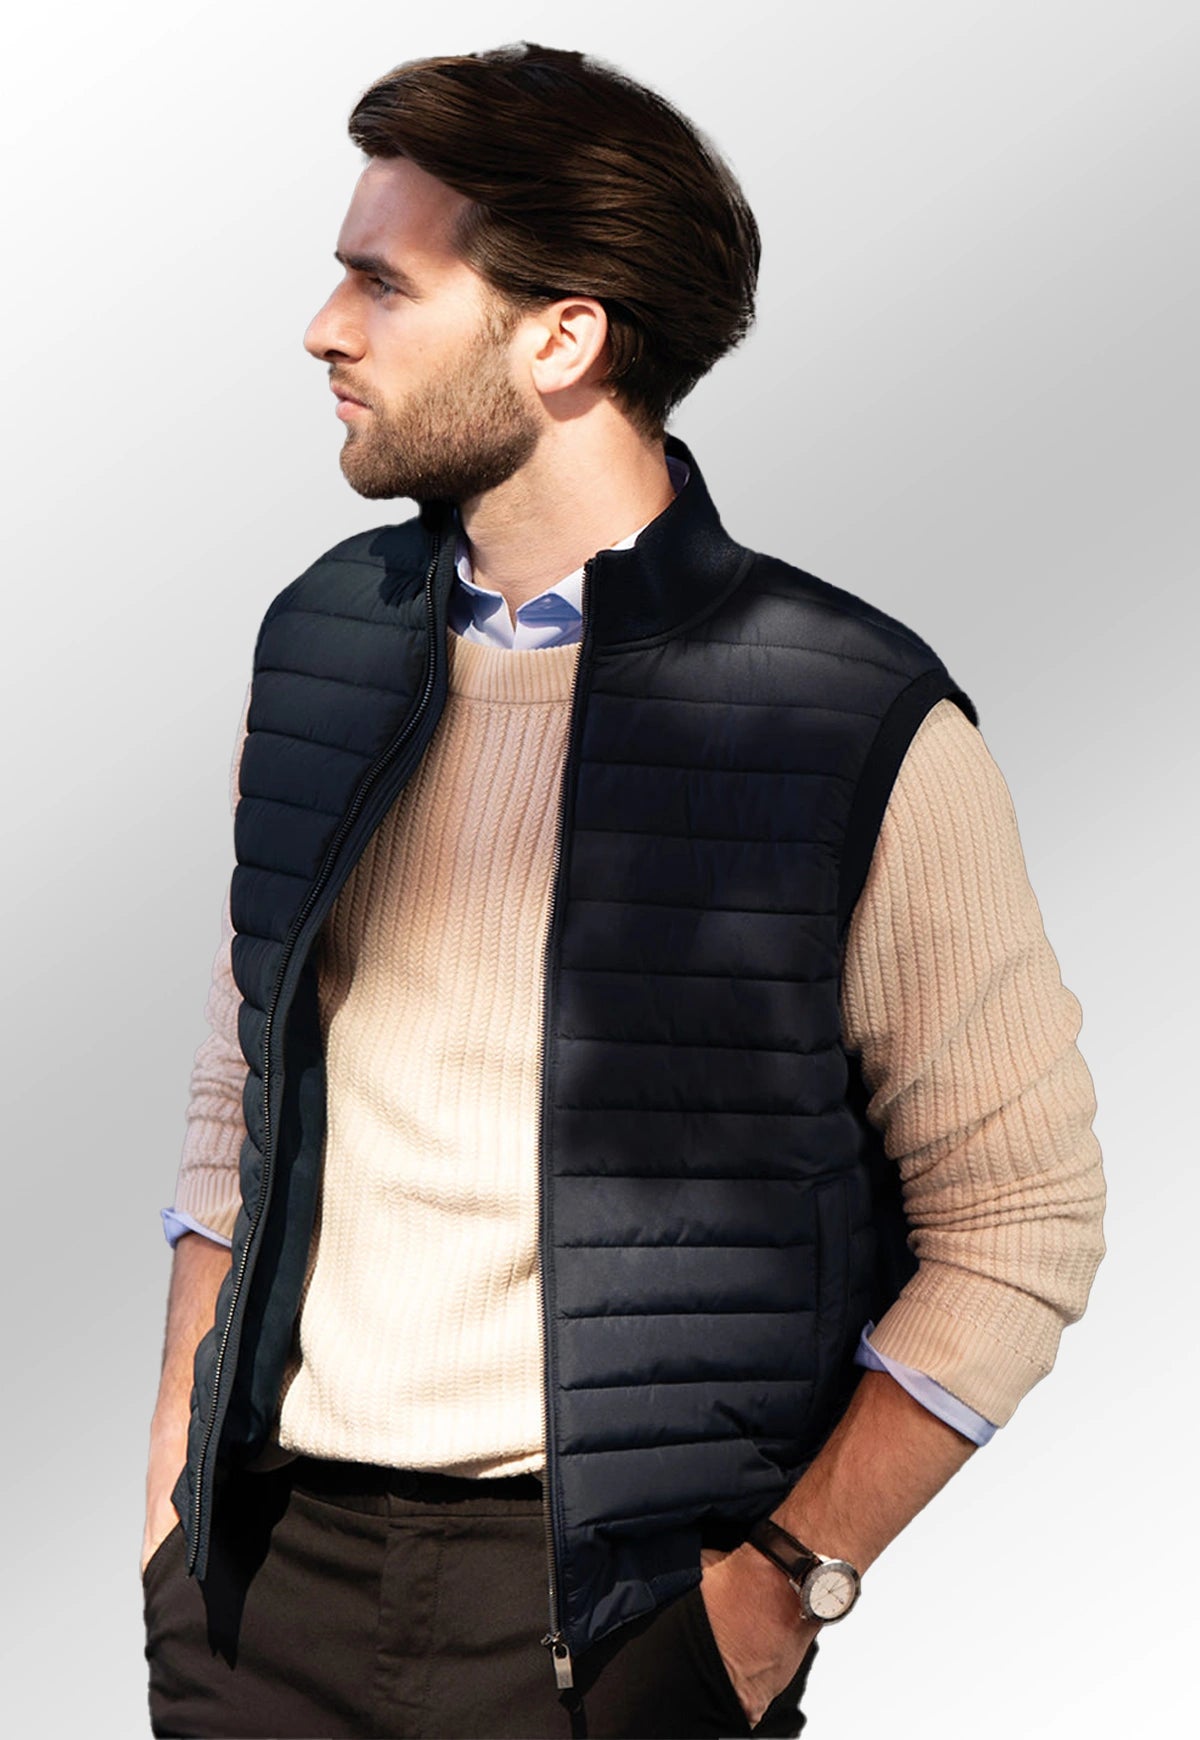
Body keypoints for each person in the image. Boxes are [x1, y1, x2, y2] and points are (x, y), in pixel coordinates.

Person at [140, 41, 1106, 1740]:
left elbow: (1020, 1218)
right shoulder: (320, 645)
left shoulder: (849, 716)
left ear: (564, 337)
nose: (323, 328)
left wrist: (778, 1593)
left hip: (610, 1633)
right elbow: (243, 1095)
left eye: (383, 281)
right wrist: (174, 1499)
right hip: (261, 1597)